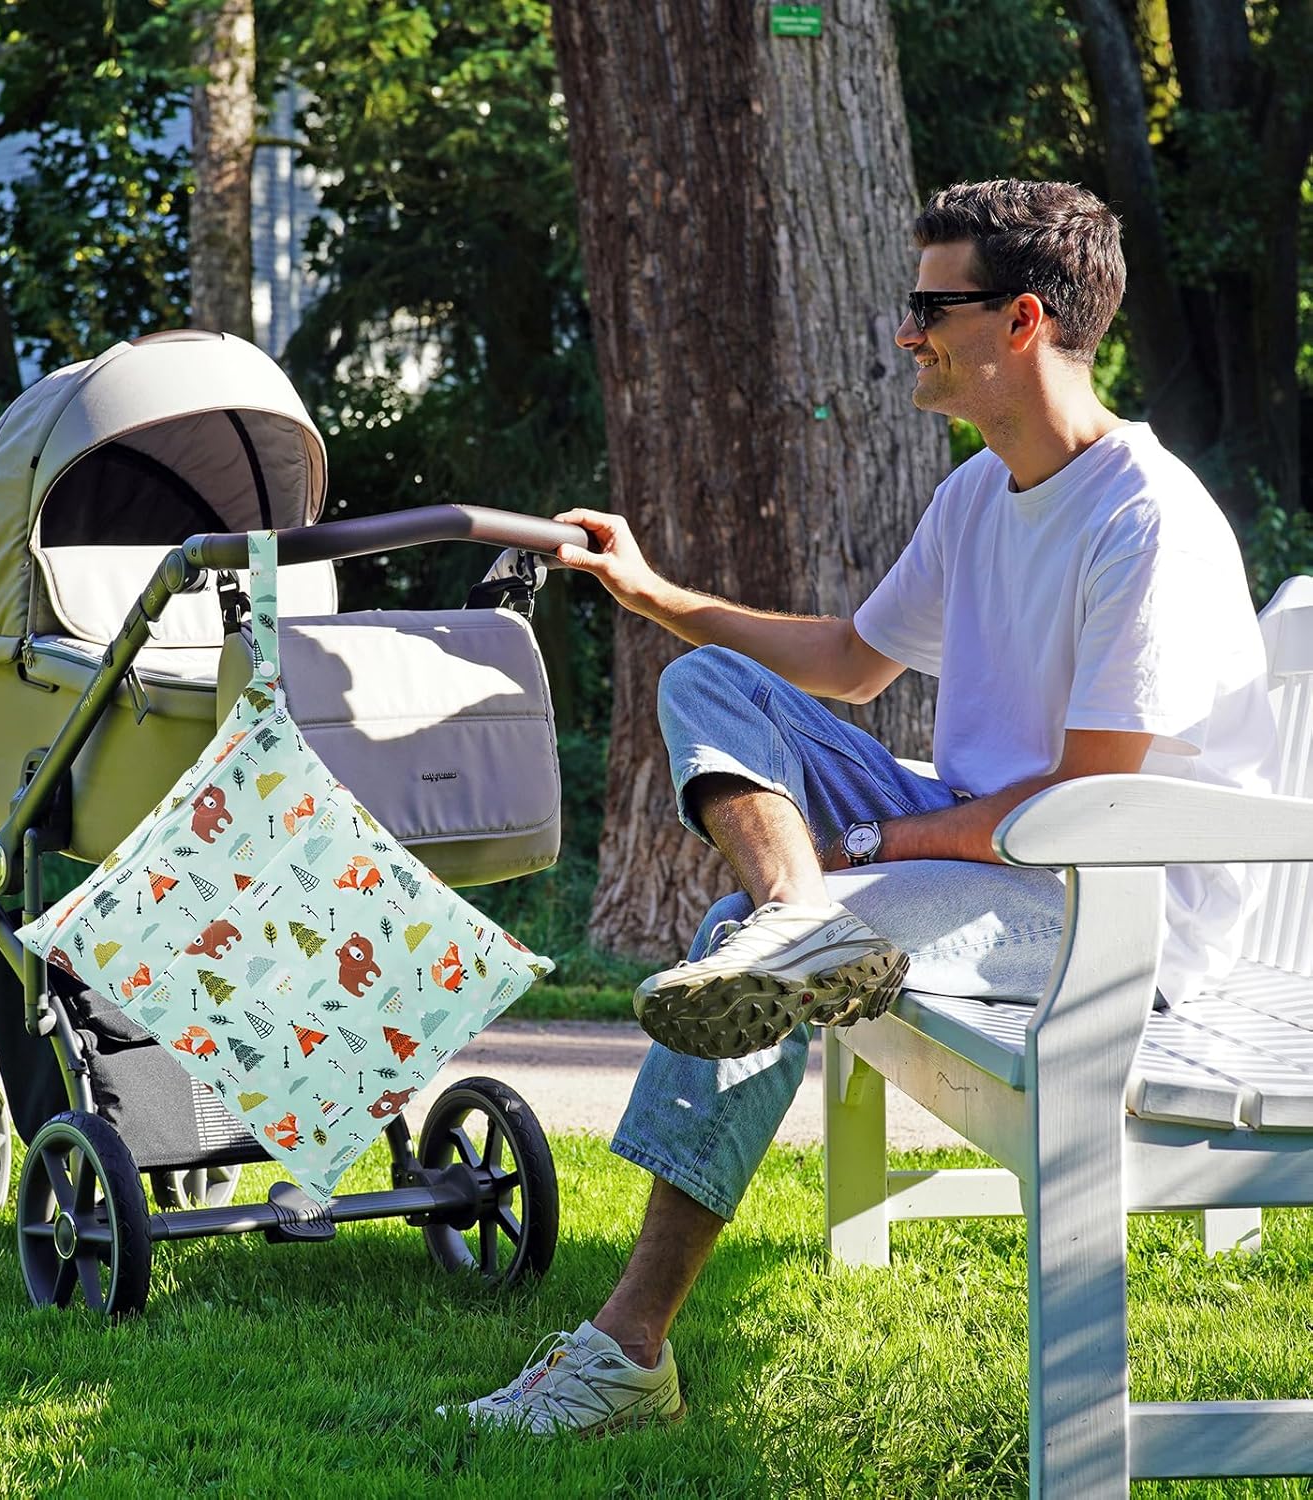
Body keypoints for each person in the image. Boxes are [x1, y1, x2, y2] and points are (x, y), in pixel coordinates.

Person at [440, 179, 1278, 1436]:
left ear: (1023, 320)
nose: (906, 334)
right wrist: (651, 589)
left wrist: (877, 844)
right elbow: (844, 663)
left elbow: (1093, 802)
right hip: (998, 847)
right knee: (715, 684)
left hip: (1115, 903)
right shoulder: (979, 494)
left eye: (930, 306)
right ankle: (798, 917)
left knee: (750, 958)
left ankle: (626, 1355)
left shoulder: (1142, 519)